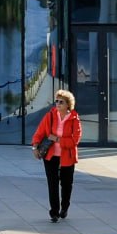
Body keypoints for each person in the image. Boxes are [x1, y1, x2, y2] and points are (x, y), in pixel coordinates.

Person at [30, 89, 82, 222]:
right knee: (52, 184)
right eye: (56, 101)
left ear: (68, 104)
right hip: (50, 155)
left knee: (66, 184)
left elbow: (74, 141)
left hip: (67, 157)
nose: (58, 104)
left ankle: (64, 207)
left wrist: (57, 139)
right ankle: (54, 212)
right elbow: (40, 132)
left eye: (61, 102)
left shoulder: (74, 119)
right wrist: (35, 146)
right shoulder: (50, 116)